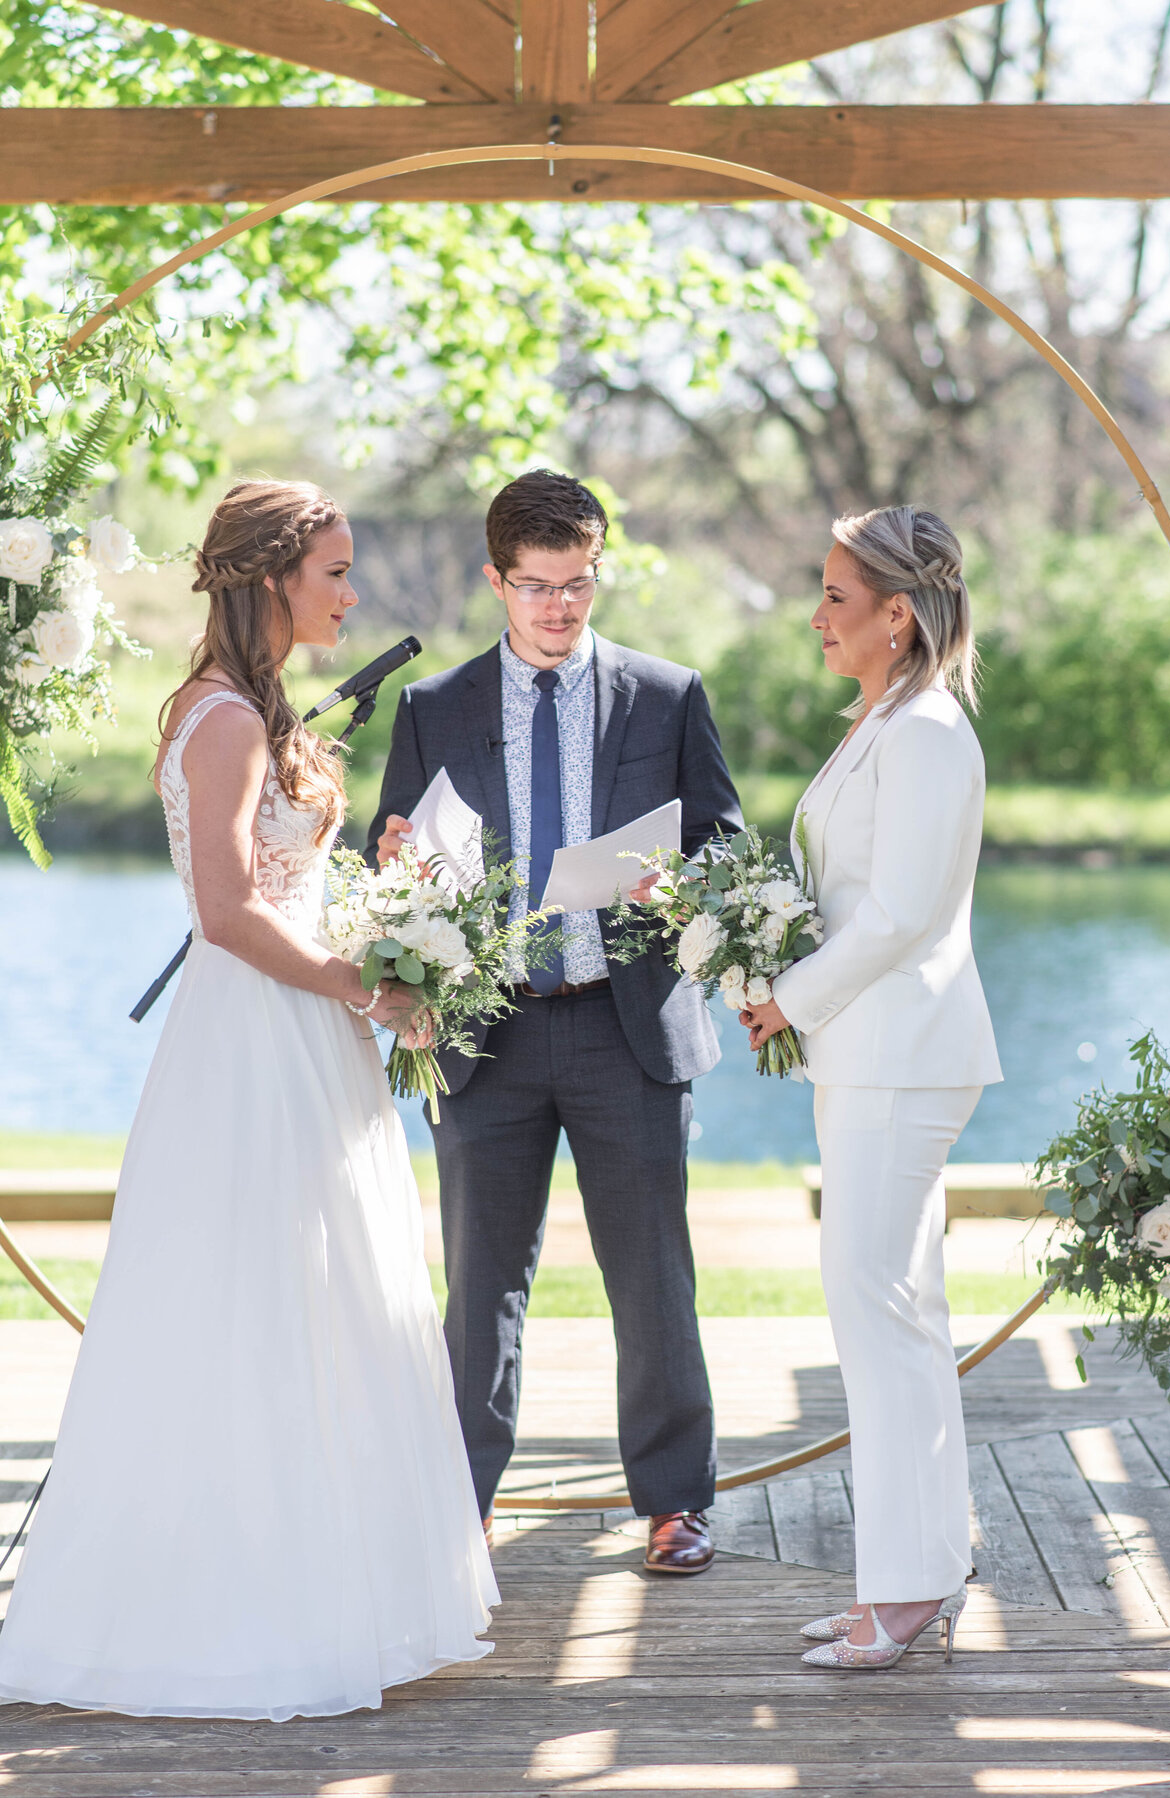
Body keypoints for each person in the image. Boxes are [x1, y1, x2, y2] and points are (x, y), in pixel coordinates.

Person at [0, 480, 497, 1720]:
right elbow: (225, 913)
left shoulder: (267, 711)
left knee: (328, 1303)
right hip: (256, 1041)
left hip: (310, 1031)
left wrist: (388, 908)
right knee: (249, 1304)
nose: (352, 591)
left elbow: (285, 878)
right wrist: (358, 984)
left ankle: (333, 1583)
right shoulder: (220, 719)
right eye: (334, 570)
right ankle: (227, 1607)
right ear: (272, 578)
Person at [369, 469, 743, 1574]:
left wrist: (675, 881)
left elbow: (722, 838)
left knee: (652, 1277)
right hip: (487, 1033)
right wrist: (396, 869)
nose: (561, 608)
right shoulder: (433, 708)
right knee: (479, 1281)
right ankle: (462, 1500)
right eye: (537, 587)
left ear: (598, 570)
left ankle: (676, 1501)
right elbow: (383, 862)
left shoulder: (668, 695)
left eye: (578, 584)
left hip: (629, 1026)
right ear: (496, 579)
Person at [739, 505, 1002, 1670]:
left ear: (899, 615)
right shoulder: (882, 721)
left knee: (876, 1312)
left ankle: (899, 1591)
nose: (816, 615)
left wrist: (787, 996)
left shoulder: (930, 730)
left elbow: (900, 914)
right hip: (872, 1055)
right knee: (902, 1312)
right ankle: (920, 1570)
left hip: (902, 1055)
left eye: (837, 598)